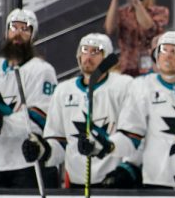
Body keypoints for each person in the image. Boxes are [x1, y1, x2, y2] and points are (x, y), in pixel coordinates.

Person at [79, 31, 175, 190]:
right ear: (156, 55)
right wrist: (106, 146)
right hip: (155, 182)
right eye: (164, 50)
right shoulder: (142, 86)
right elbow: (131, 136)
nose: (168, 56)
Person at [21, 34, 140, 188]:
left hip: (115, 183)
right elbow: (59, 141)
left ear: (108, 58)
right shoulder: (63, 90)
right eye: (85, 50)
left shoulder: (124, 86)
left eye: (95, 52)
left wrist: (127, 169)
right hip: (77, 185)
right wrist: (43, 149)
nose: (88, 57)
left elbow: (134, 135)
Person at [0, 8, 59, 188]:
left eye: (25, 29)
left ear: (33, 36)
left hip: (28, 165)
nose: (18, 33)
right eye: (14, 27)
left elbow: (41, 118)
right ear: (7, 32)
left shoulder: (42, 71)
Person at [104, 0, 170, 76]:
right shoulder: (122, 13)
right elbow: (109, 29)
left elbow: (150, 30)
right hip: (128, 70)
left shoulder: (160, 12)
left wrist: (137, 3)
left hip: (152, 69)